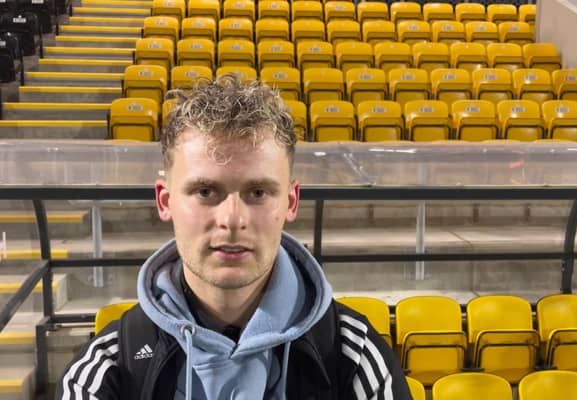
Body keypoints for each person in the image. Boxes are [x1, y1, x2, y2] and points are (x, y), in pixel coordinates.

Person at [56, 74, 413, 399]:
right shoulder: (106, 372)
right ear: (165, 201)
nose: (232, 219)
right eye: (205, 191)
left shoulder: (357, 358)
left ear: (290, 201)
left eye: (257, 192)